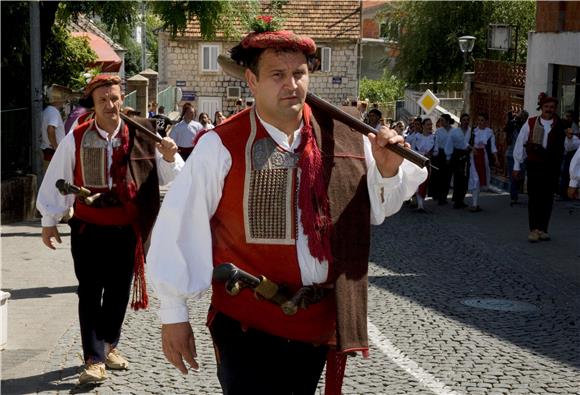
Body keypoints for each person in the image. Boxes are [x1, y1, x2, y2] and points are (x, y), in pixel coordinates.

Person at [147, 18, 427, 395]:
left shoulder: (345, 138)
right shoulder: (222, 145)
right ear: (252, 81)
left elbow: (377, 209)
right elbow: (180, 225)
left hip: (316, 327)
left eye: (298, 73)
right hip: (248, 324)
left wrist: (390, 171)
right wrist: (173, 314)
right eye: (277, 74)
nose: (291, 84)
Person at [36, 74, 184, 385]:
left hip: (128, 231)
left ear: (122, 99)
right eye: (103, 99)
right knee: (89, 292)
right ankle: (93, 359)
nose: (110, 104)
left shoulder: (143, 134)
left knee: (118, 293)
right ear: (93, 103)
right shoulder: (76, 137)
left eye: (115, 98)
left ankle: (107, 345)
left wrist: (171, 157)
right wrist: (49, 220)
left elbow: (171, 177)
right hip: (88, 229)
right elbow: (57, 178)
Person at [513, 93, 566, 242]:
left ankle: (543, 229)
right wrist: (517, 165)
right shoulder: (530, 123)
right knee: (535, 197)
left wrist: (568, 139)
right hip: (535, 165)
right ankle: (534, 229)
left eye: (552, 107)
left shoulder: (559, 124)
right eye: (546, 107)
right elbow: (520, 144)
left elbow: (566, 146)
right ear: (541, 107)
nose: (549, 109)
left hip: (551, 166)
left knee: (547, 198)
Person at [467, 113, 499, 212]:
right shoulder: (473, 131)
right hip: (473, 157)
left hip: (483, 157)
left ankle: (475, 202)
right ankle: (474, 204)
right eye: (479, 120)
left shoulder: (489, 132)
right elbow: (466, 143)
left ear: (486, 121)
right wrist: (472, 148)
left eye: (482, 120)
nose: (480, 122)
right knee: (475, 179)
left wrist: (496, 159)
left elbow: (493, 147)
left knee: (481, 179)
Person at [444, 113, 472, 209]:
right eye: (464, 120)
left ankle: (462, 199)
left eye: (467, 120)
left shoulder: (471, 131)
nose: (466, 122)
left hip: (467, 155)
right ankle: (456, 200)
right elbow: (449, 144)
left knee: (465, 178)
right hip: (457, 155)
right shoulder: (455, 132)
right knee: (458, 177)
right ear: (460, 121)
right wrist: (448, 156)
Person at [504, 110, 529, 205]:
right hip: (511, 154)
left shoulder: (526, 128)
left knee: (520, 176)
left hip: (522, 156)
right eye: (520, 117)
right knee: (513, 176)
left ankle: (516, 192)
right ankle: (514, 197)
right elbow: (506, 129)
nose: (521, 119)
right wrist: (511, 120)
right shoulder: (513, 126)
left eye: (523, 117)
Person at [41, 86, 67, 170]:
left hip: (48, 150)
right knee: (55, 179)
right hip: (52, 152)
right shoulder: (53, 112)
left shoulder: (48, 110)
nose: (65, 101)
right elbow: (50, 129)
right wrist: (56, 147)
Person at [413, 118, 435, 212]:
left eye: (431, 124)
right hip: (418, 161)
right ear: (423, 126)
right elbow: (413, 149)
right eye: (427, 124)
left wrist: (431, 154)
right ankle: (420, 205)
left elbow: (436, 150)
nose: (430, 126)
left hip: (428, 162)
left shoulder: (433, 137)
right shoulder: (417, 136)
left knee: (425, 181)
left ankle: (420, 202)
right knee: (419, 181)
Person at [432, 113, 454, 205]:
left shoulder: (454, 131)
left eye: (443, 120)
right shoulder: (438, 131)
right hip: (440, 154)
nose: (441, 122)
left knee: (448, 176)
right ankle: (439, 195)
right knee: (440, 175)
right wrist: (436, 153)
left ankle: (444, 196)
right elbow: (436, 143)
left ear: (448, 121)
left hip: (451, 154)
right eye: (440, 120)